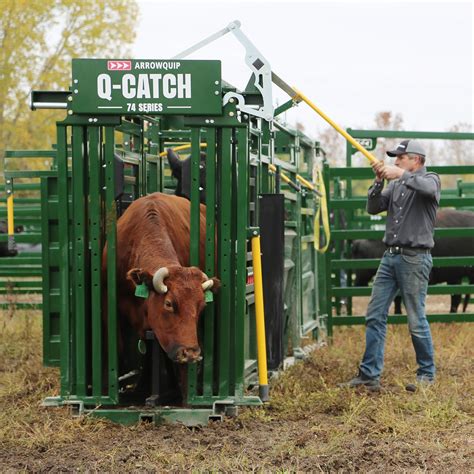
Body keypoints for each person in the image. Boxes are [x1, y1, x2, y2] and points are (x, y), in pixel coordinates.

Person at [340, 139, 441, 392]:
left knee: (416, 318)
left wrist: (401, 175)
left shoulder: (431, 179)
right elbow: (373, 207)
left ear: (415, 160)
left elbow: (427, 189)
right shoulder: (395, 185)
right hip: (390, 257)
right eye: (395, 158)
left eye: (401, 157)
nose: (395, 161)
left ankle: (427, 375)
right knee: (375, 315)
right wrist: (378, 182)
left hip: (414, 258)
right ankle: (368, 376)